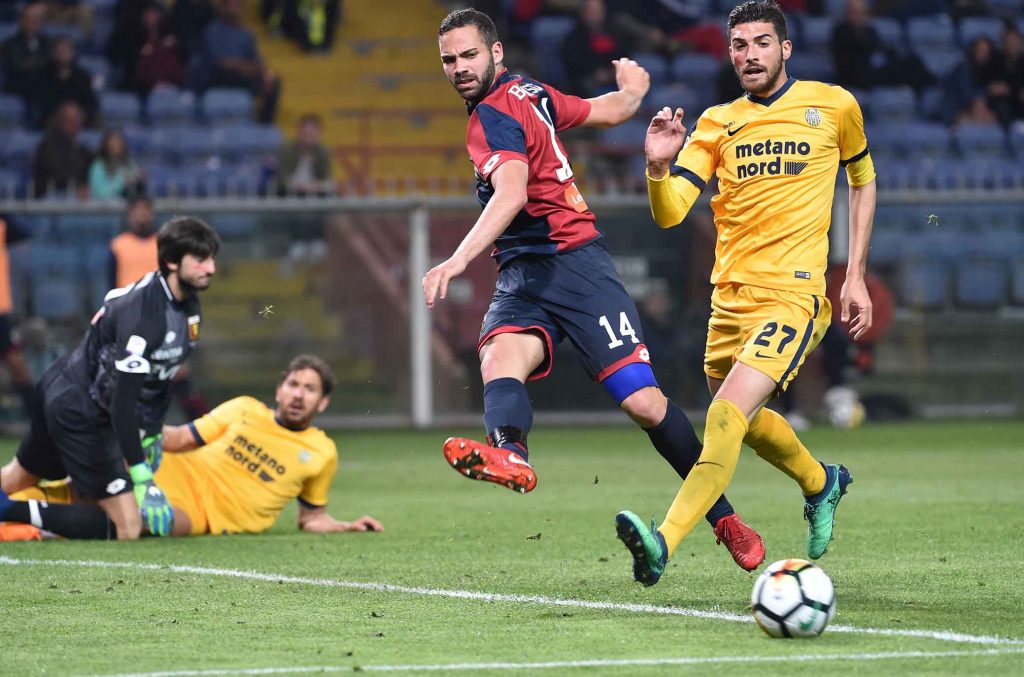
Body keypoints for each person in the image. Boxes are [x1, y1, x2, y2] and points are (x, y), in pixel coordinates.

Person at [424, 8, 765, 572]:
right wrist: (632, 93)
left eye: (469, 55)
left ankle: (726, 519)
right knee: (498, 358)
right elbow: (604, 111)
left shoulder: (492, 114)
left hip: (577, 266)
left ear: (496, 52)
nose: (459, 67)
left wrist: (458, 259)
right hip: (523, 272)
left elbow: (511, 192)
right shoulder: (528, 92)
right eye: (449, 60)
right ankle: (512, 455)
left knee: (645, 404)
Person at [614, 0, 875, 587]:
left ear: (785, 48)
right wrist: (656, 169)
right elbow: (671, 213)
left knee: (725, 414)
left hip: (794, 296)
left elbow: (862, 180)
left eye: (762, 43)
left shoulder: (834, 106)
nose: (750, 55)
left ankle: (662, 542)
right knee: (747, 422)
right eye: (739, 45)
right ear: (729, 54)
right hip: (729, 300)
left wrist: (854, 273)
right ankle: (822, 482)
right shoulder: (715, 122)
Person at [0, 216, 220, 540]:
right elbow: (121, 406)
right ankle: (7, 510)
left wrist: (153, 431)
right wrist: (142, 477)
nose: (211, 268)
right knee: (128, 526)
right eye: (200, 260)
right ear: (173, 262)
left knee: (18, 478)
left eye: (212, 259)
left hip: (70, 390)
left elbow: (163, 374)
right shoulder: (145, 317)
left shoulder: (187, 301)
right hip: (81, 409)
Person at [0, 354, 384, 538]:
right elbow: (180, 438)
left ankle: (15, 515)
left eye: (310, 389)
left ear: (323, 402)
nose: (299, 395)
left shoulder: (321, 452)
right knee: (79, 490)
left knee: (146, 523)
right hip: (169, 471)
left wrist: (347, 526)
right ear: (279, 389)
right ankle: (16, 506)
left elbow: (311, 518)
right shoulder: (245, 409)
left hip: (203, 513)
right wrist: (131, 428)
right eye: (294, 384)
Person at [199, 0, 281, 123]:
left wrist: (265, 73)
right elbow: (221, 62)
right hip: (218, 76)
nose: (235, 9)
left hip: (243, 75)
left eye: (237, 5)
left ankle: (264, 123)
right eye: (232, 5)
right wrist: (246, 67)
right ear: (223, 7)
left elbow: (258, 62)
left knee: (272, 81)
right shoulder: (212, 30)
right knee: (229, 72)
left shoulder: (246, 34)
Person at [0, 215, 35, 419]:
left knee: (17, 364)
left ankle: (36, 418)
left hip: (1, 309)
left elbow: (25, 233)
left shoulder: (3, 223)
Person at [32, 100, 94, 199]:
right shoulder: (47, 146)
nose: (73, 123)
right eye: (69, 120)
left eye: (76, 119)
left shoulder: (82, 150)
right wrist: (77, 187)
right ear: (60, 121)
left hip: (77, 195)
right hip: (52, 195)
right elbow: (56, 174)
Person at [35, 35, 99, 129]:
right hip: (51, 122)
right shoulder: (42, 76)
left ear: (73, 53)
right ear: (53, 53)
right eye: (59, 51)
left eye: (66, 50)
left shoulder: (83, 77)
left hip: (79, 122)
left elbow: (90, 103)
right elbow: (41, 104)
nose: (62, 54)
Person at [275, 113, 335, 196]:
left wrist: (314, 186)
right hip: (288, 193)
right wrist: (299, 185)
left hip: (315, 192)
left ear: (319, 134)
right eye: (305, 133)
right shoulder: (286, 150)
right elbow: (282, 179)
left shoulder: (323, 152)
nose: (308, 137)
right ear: (298, 132)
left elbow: (326, 179)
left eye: (312, 134)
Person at [89, 129, 143, 200]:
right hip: (104, 205)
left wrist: (140, 179)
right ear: (106, 144)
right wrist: (121, 183)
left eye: (119, 141)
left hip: (127, 202)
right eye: (113, 142)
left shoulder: (130, 163)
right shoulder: (98, 165)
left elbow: (136, 183)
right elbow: (100, 192)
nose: (117, 145)